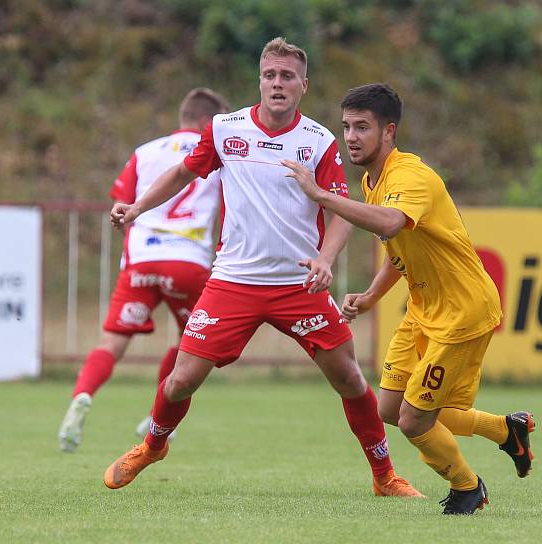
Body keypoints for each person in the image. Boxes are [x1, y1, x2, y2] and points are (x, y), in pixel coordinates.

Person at [103, 38, 422, 498]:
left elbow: (341, 209)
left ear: (303, 86)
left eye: (287, 76)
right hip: (233, 281)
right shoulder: (225, 129)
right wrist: (135, 208)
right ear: (259, 80)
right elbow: (181, 174)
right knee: (179, 381)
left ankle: (384, 476)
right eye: (270, 75)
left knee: (350, 379)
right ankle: (153, 446)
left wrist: (325, 259)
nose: (278, 83)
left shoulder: (319, 141)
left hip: (299, 284)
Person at [284, 83, 536, 515]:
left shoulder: (410, 177)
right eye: (346, 126)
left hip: (463, 313)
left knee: (415, 420)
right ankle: (505, 430)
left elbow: (391, 220)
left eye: (362, 127)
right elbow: (399, 250)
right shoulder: (372, 178)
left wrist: (323, 196)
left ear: (389, 132)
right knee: (392, 408)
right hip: (424, 310)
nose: (351, 137)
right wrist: (370, 296)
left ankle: (467, 488)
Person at [57, 87, 230, 453]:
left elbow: (122, 204)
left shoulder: (145, 151)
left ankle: (82, 396)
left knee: (112, 343)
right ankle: (157, 417)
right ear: (205, 123)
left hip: (141, 260)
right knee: (196, 346)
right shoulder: (217, 151)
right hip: (187, 261)